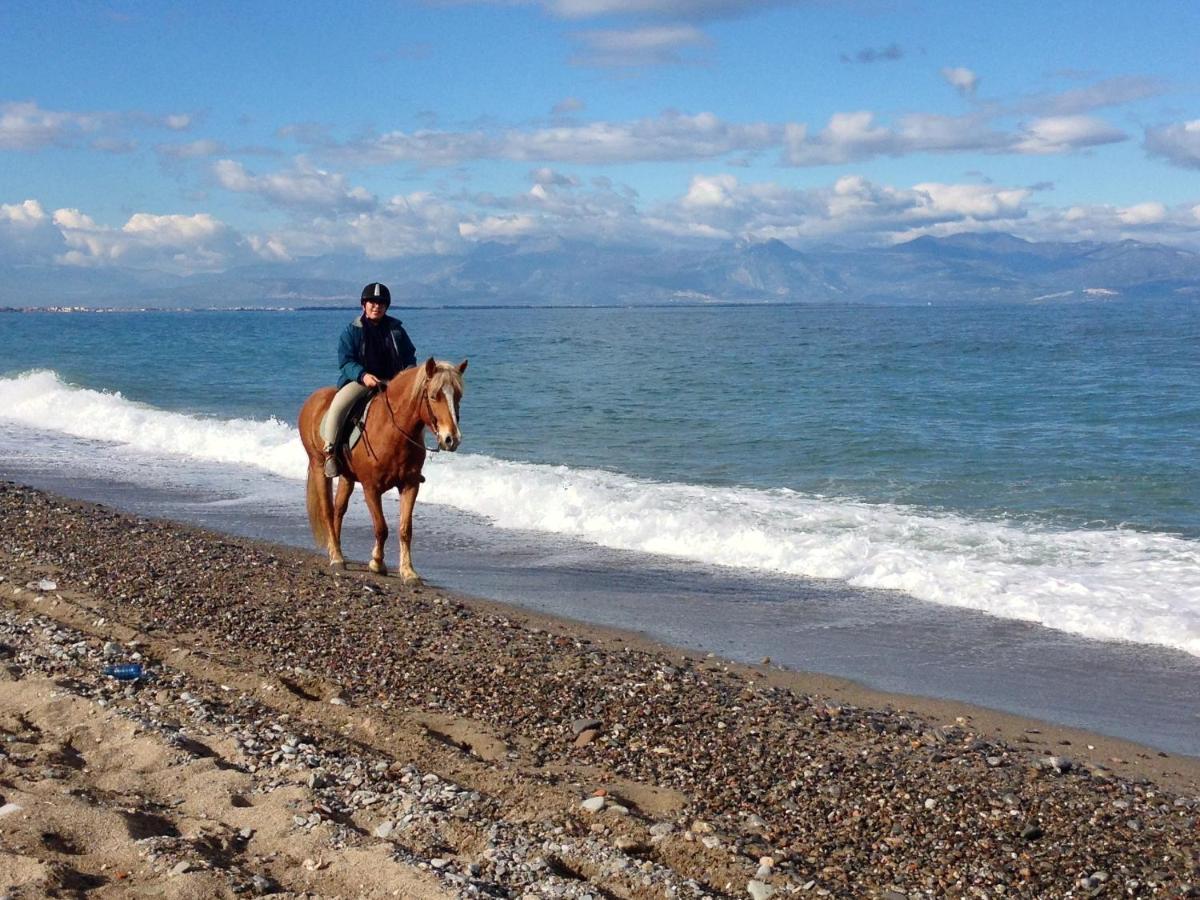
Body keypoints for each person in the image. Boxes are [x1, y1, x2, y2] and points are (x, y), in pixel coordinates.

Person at [320, 282, 416, 477]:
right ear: (363, 305)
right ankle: (330, 450)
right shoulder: (352, 331)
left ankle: (414, 458)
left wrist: (407, 377)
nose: (376, 306)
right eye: (372, 302)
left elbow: (409, 357)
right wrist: (363, 375)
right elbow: (345, 362)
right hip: (361, 381)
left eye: (381, 303)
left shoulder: (397, 330)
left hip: (393, 383)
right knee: (339, 405)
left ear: (386, 306)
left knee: (416, 412)